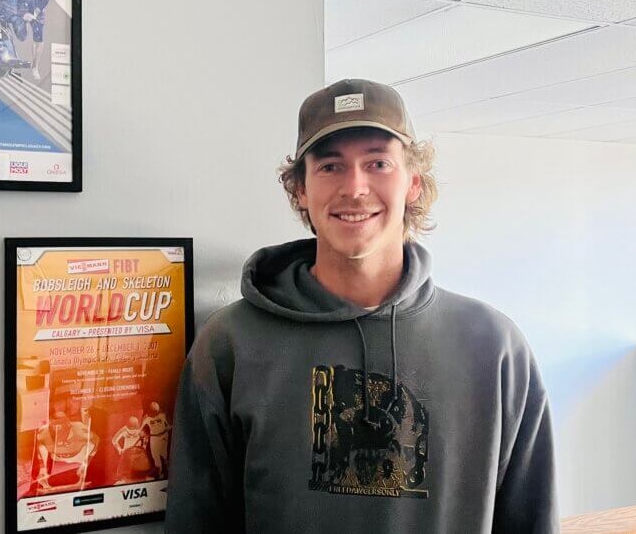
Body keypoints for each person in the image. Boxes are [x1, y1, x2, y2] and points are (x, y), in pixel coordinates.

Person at [165, 79, 557, 532]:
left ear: (413, 183)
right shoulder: (230, 345)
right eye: (330, 166)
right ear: (300, 191)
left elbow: (531, 518)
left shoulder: (494, 347)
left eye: (377, 163)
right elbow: (198, 520)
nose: (355, 187)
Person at [141, 401, 172, 479]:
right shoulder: (146, 418)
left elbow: (170, 424)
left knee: (164, 455)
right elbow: (140, 428)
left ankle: (169, 472)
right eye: (153, 412)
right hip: (154, 437)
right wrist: (144, 435)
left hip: (163, 436)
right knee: (156, 457)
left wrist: (169, 427)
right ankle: (160, 474)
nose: (155, 414)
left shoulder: (162, 415)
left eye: (156, 412)